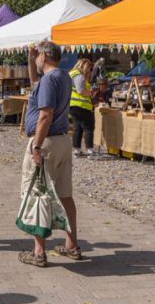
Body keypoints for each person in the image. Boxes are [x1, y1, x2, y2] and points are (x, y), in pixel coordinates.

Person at [19, 40, 79, 267]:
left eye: (37, 56)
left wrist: (36, 145)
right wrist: (29, 58)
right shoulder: (62, 76)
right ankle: (72, 245)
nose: (35, 59)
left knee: (38, 194)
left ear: (44, 55)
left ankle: (39, 252)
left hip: (47, 142)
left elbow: (46, 115)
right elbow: (36, 81)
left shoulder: (50, 80)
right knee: (65, 194)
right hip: (63, 140)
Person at [68, 58, 97, 158]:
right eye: (89, 68)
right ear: (84, 66)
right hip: (82, 106)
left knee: (77, 128)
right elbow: (81, 91)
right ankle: (90, 151)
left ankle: (77, 150)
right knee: (88, 128)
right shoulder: (79, 76)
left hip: (73, 105)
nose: (89, 70)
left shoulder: (71, 74)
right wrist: (91, 93)